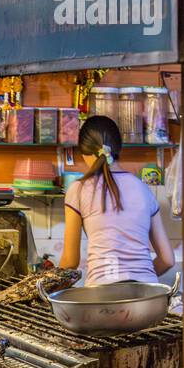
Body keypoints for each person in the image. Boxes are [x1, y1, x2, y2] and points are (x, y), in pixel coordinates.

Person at [59, 116, 175, 287]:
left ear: (84, 153)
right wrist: (140, 279)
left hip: (102, 296)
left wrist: (48, 291)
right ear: (118, 148)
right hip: (148, 297)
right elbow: (167, 260)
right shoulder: (144, 190)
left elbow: (70, 262)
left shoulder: (78, 189)